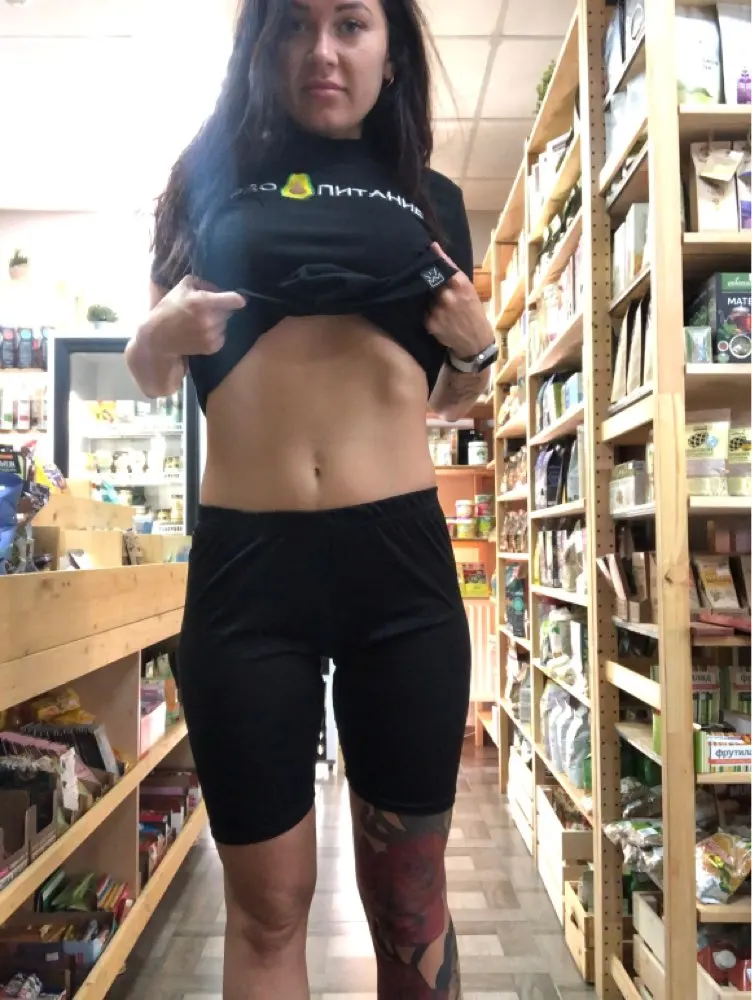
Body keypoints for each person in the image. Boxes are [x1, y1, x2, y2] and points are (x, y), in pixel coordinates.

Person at [126, 1, 497, 997]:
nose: (320, 50)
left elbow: (451, 394)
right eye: (293, 25)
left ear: (391, 51)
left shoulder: (432, 198)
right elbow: (149, 372)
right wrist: (157, 334)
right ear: (261, 47)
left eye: (350, 24)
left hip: (400, 571)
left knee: (411, 908)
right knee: (266, 911)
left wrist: (480, 349)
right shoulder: (204, 185)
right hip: (248, 575)